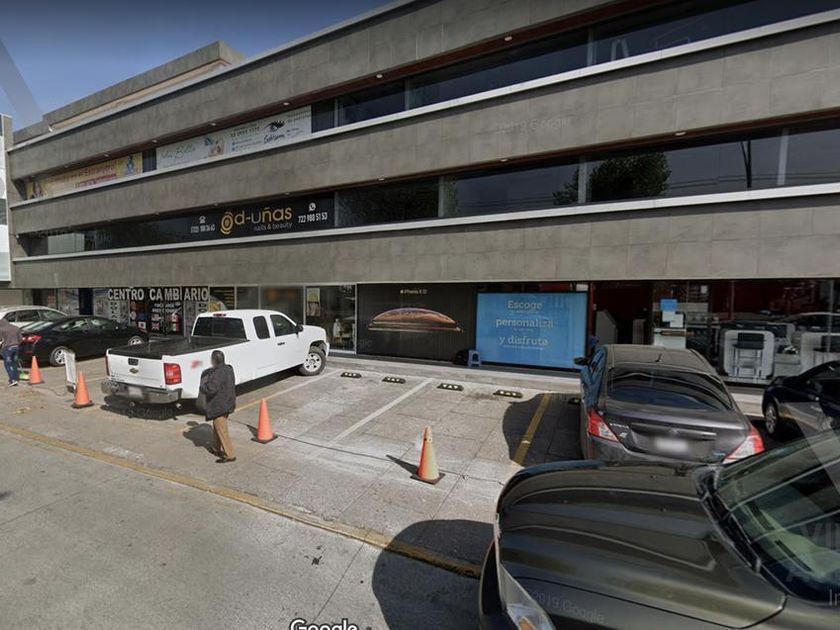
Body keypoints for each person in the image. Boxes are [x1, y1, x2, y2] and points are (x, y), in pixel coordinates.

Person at [199, 350, 237, 463]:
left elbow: (211, 389)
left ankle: (230, 455)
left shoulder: (216, 373)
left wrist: (203, 387)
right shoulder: (229, 369)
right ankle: (217, 448)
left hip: (219, 406)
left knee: (222, 430)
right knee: (217, 428)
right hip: (228, 402)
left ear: (214, 360)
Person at [0, 318, 22, 387]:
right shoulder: (16, 328)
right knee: (14, 363)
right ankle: (16, 377)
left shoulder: (2, 329)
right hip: (16, 347)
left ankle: (13, 380)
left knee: (8, 364)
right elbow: (20, 339)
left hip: (7, 348)